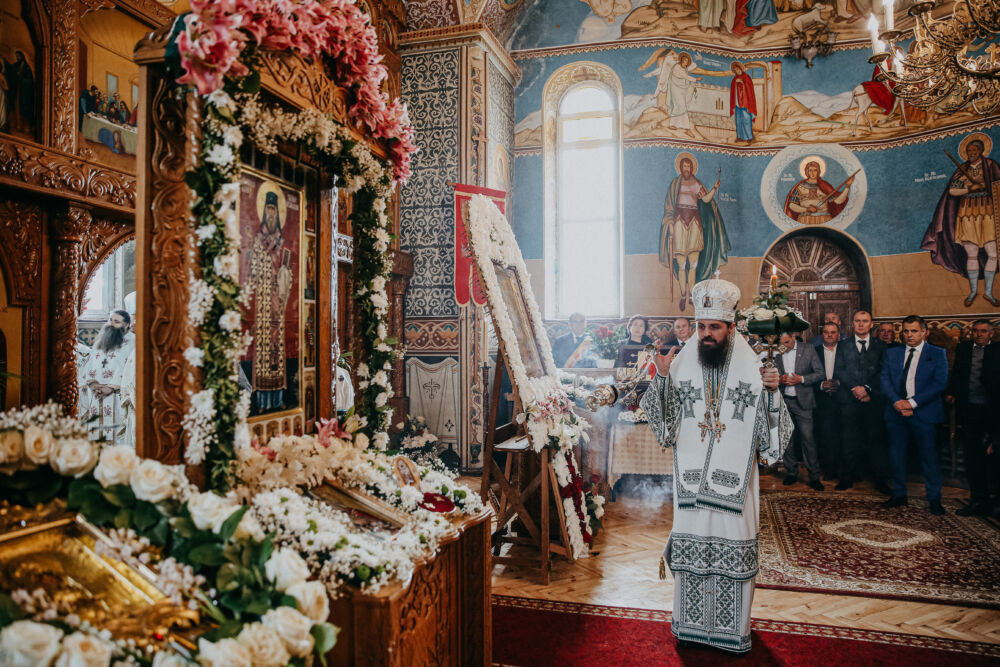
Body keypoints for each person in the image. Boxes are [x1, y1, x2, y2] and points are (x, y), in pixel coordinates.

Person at [641, 276, 790, 654]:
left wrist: (772, 392)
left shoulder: (755, 367)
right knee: (693, 554)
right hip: (690, 483)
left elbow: (772, 438)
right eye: (702, 326)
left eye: (714, 327)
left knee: (732, 553)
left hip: (735, 483)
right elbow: (663, 425)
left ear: (731, 327)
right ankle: (690, 628)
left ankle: (730, 632)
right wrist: (659, 376)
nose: (706, 334)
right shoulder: (680, 363)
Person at [880, 315, 949, 514]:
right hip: (896, 412)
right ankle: (899, 494)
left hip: (924, 413)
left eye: (914, 331)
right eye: (906, 331)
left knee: (929, 457)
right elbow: (884, 379)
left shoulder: (937, 353)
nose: (909, 335)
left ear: (924, 332)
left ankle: (934, 498)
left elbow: (939, 383)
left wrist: (911, 403)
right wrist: (897, 402)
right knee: (896, 454)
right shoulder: (893, 353)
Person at [922, 136, 1000, 307]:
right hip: (966, 213)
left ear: (981, 151)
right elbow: (953, 191)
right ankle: (972, 291)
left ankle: (988, 292)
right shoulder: (962, 170)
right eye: (969, 151)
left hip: (987, 212)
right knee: (971, 253)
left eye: (974, 150)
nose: (971, 153)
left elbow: (997, 185)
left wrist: (986, 188)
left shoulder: (990, 166)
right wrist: (969, 188)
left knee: (992, 253)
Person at [660, 153, 730, 311]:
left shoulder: (697, 183)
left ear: (692, 168)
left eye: (688, 167)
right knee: (681, 263)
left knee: (693, 264)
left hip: (694, 224)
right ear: (680, 168)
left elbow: (705, 199)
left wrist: (714, 188)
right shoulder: (675, 184)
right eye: (684, 167)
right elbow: (669, 205)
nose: (686, 169)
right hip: (679, 223)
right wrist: (670, 222)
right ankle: (683, 294)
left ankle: (692, 294)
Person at [833, 310, 891, 493]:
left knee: (876, 442)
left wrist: (867, 389)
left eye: (864, 321)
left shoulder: (881, 346)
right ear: (852, 323)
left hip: (873, 401)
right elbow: (839, 370)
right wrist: (856, 389)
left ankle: (880, 481)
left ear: (871, 324)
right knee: (849, 440)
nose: (860, 324)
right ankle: (847, 478)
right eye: (857, 321)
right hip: (849, 400)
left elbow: (884, 372)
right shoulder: (843, 345)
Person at [248, 189, 294, 412]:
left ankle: (277, 400)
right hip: (264, 304)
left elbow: (287, 273)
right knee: (265, 352)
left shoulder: (282, 242)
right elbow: (253, 273)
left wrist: (285, 272)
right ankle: (263, 403)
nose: (271, 214)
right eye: (268, 210)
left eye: (274, 210)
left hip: (278, 304)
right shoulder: (258, 242)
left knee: (277, 352)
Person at [946, 320, 996, 516]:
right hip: (969, 408)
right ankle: (978, 498)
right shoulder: (965, 348)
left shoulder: (997, 350)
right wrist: (951, 392)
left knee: (994, 452)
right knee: (972, 453)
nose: (979, 334)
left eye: (983, 331)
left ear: (991, 334)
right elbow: (957, 373)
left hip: (993, 410)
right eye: (975, 331)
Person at [777, 332, 825, 490]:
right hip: (784, 400)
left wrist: (801, 379)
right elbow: (770, 374)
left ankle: (814, 476)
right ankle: (791, 472)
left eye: (786, 342)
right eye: (781, 343)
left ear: (793, 337)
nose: (783, 346)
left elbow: (820, 373)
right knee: (786, 439)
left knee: (808, 439)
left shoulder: (808, 349)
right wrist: (780, 379)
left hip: (803, 402)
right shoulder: (777, 350)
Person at [78, 310, 134, 440]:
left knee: (116, 438)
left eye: (116, 321)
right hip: (96, 396)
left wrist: (111, 387)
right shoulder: (101, 341)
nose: (111, 324)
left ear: (126, 325)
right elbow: (90, 364)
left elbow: (131, 371)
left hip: (118, 397)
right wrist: (92, 384)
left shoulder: (134, 343)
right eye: (110, 320)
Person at [783, 160, 854, 225]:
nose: (812, 173)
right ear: (807, 172)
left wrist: (848, 185)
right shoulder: (800, 187)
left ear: (818, 171)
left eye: (815, 170)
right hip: (805, 220)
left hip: (824, 219)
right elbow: (792, 205)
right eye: (810, 170)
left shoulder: (825, 186)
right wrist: (807, 209)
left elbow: (838, 201)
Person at [815, 322, 842, 481]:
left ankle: (844, 469)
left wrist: (839, 384)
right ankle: (829, 469)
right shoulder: (815, 351)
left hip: (843, 399)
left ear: (839, 334)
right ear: (822, 335)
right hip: (822, 401)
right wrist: (820, 384)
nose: (830, 335)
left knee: (844, 435)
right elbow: (808, 373)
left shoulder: (846, 350)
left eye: (833, 332)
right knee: (825, 436)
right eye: (826, 332)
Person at [729, 63, 756, 144]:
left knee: (746, 120)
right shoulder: (734, 79)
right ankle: (740, 137)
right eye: (735, 70)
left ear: (741, 69)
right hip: (737, 104)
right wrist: (736, 83)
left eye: (737, 69)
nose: (736, 71)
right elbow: (733, 90)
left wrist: (742, 82)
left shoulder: (747, 77)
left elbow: (749, 89)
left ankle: (750, 137)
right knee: (738, 121)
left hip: (745, 104)